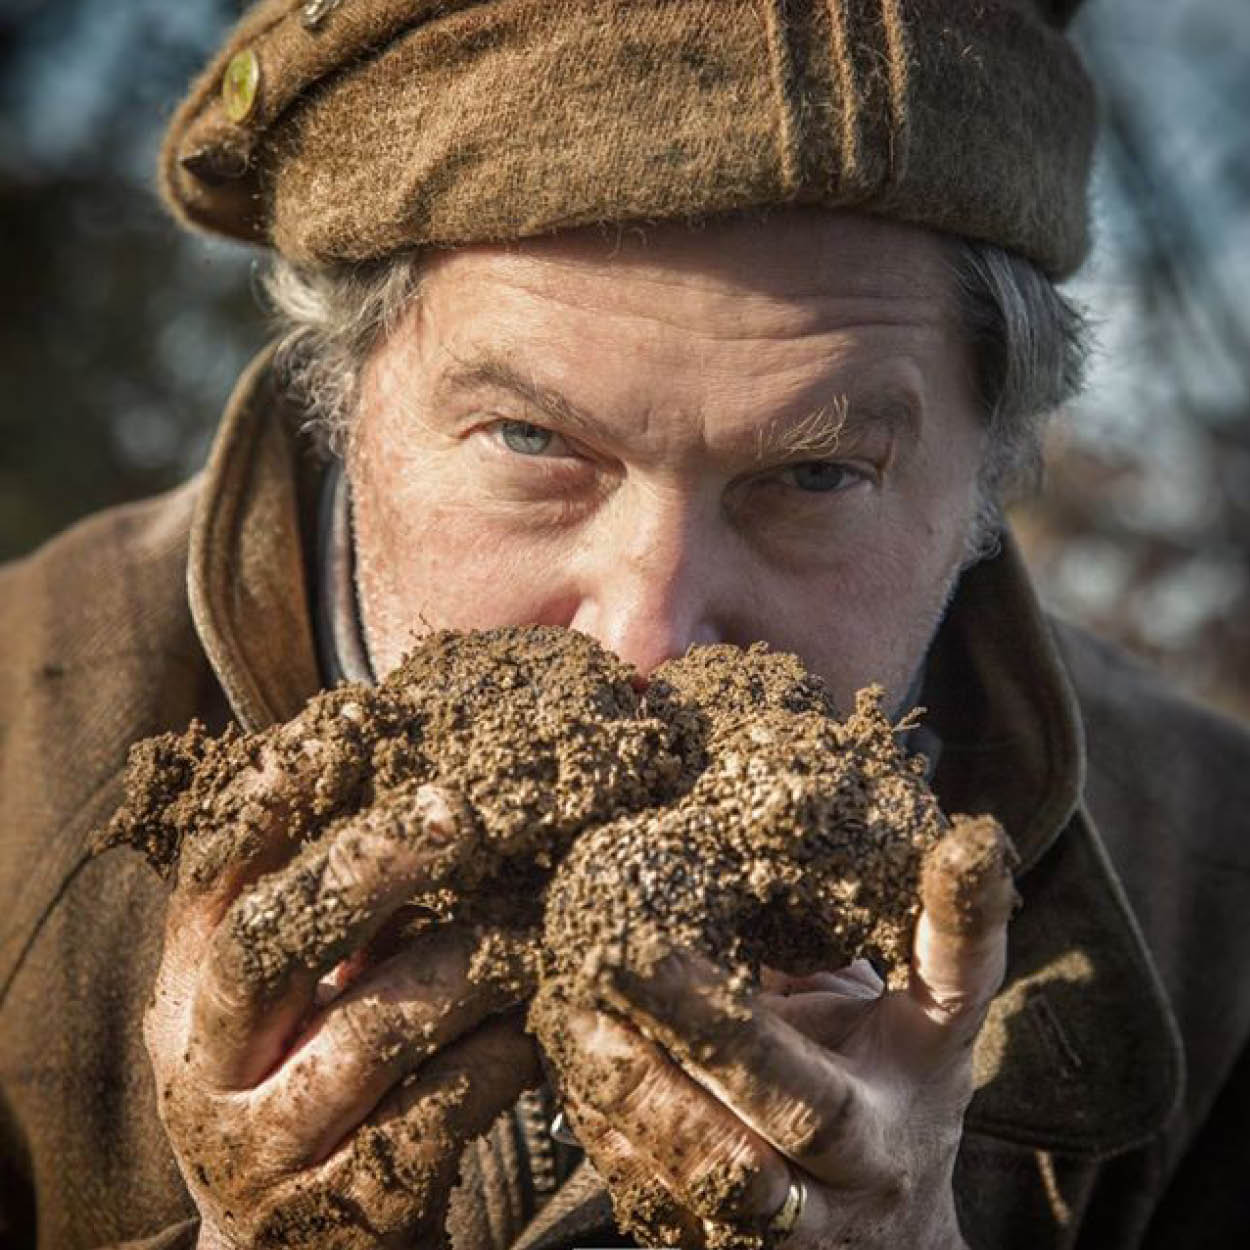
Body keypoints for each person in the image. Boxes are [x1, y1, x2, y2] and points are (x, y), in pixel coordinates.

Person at [1, 1, 1248, 1247]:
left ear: (987, 472)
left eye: (814, 474)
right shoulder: (20, 744)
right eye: (533, 440)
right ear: (345, 394)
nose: (644, 641)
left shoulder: (1217, 903)